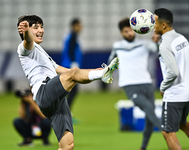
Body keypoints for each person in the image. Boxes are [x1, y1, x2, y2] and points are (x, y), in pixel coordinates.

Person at [16, 15, 119, 150]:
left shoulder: (40, 50)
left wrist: (91, 71)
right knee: (73, 74)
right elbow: (27, 41)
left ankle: (101, 74)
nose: (41, 30)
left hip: (56, 101)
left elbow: (59, 69)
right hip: (44, 91)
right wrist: (26, 33)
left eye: (41, 27)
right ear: (25, 31)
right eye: (36, 27)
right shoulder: (24, 48)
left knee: (67, 145)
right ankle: (103, 75)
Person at [108, 18, 161, 150]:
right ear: (122, 33)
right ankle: (167, 130)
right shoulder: (117, 46)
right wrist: (108, 72)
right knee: (149, 109)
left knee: (150, 117)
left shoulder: (145, 44)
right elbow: (111, 63)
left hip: (147, 84)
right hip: (129, 85)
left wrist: (158, 42)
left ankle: (143, 147)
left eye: (131, 30)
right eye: (126, 31)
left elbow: (158, 51)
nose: (130, 33)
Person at [154, 8, 189, 150]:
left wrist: (162, 87)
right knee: (182, 123)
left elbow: (173, 72)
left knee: (167, 131)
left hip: (175, 94)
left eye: (154, 22)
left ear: (163, 25)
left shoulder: (165, 45)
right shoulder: (181, 38)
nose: (152, 26)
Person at [61, 18, 83, 111]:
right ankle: (66, 113)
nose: (81, 28)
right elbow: (70, 50)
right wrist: (73, 62)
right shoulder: (73, 36)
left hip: (68, 65)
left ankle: (65, 112)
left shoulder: (70, 36)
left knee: (69, 90)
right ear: (74, 26)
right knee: (72, 90)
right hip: (70, 66)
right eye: (79, 25)